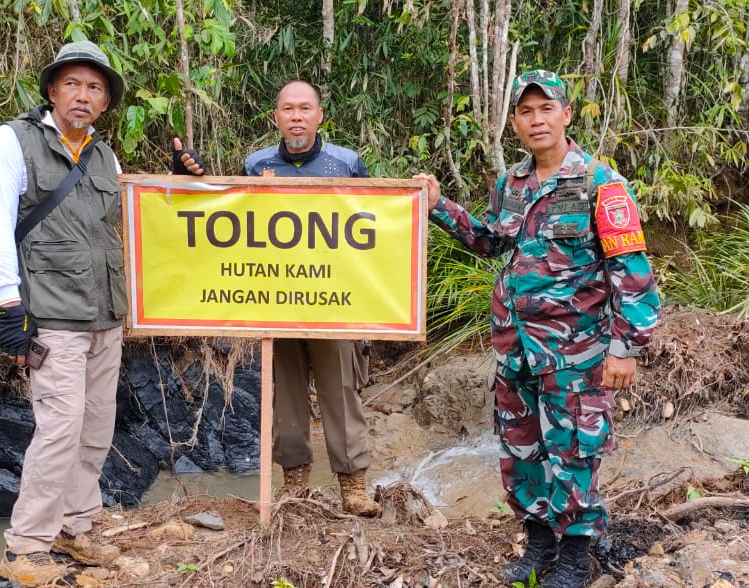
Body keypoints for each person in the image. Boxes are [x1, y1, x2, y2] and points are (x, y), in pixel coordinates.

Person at [415, 70, 660, 587]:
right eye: (525, 112)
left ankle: (575, 557)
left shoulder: (600, 183)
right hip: (516, 350)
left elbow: (632, 272)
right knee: (521, 449)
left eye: (546, 109)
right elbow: (489, 242)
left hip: (577, 353)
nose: (536, 120)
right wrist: (439, 205)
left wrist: (626, 349)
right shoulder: (512, 184)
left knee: (573, 450)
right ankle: (539, 543)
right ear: (514, 123)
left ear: (566, 115)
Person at [0, 40, 204, 587]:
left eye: (95, 87)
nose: (83, 96)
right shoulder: (16, 140)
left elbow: (132, 224)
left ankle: (76, 529)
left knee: (97, 428)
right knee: (58, 430)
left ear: (105, 102)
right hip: (52, 316)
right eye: (73, 84)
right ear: (52, 90)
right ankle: (25, 546)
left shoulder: (104, 156)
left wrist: (178, 182)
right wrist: (10, 304)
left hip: (105, 315)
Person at [243, 80, 381, 517]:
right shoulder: (256, 165)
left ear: (320, 115)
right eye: (288, 109)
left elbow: (373, 226)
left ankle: (353, 488)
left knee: (341, 391)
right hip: (277, 301)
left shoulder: (347, 163)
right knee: (285, 395)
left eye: (305, 108)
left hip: (336, 302)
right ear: (276, 117)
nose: (297, 117)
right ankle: (295, 486)